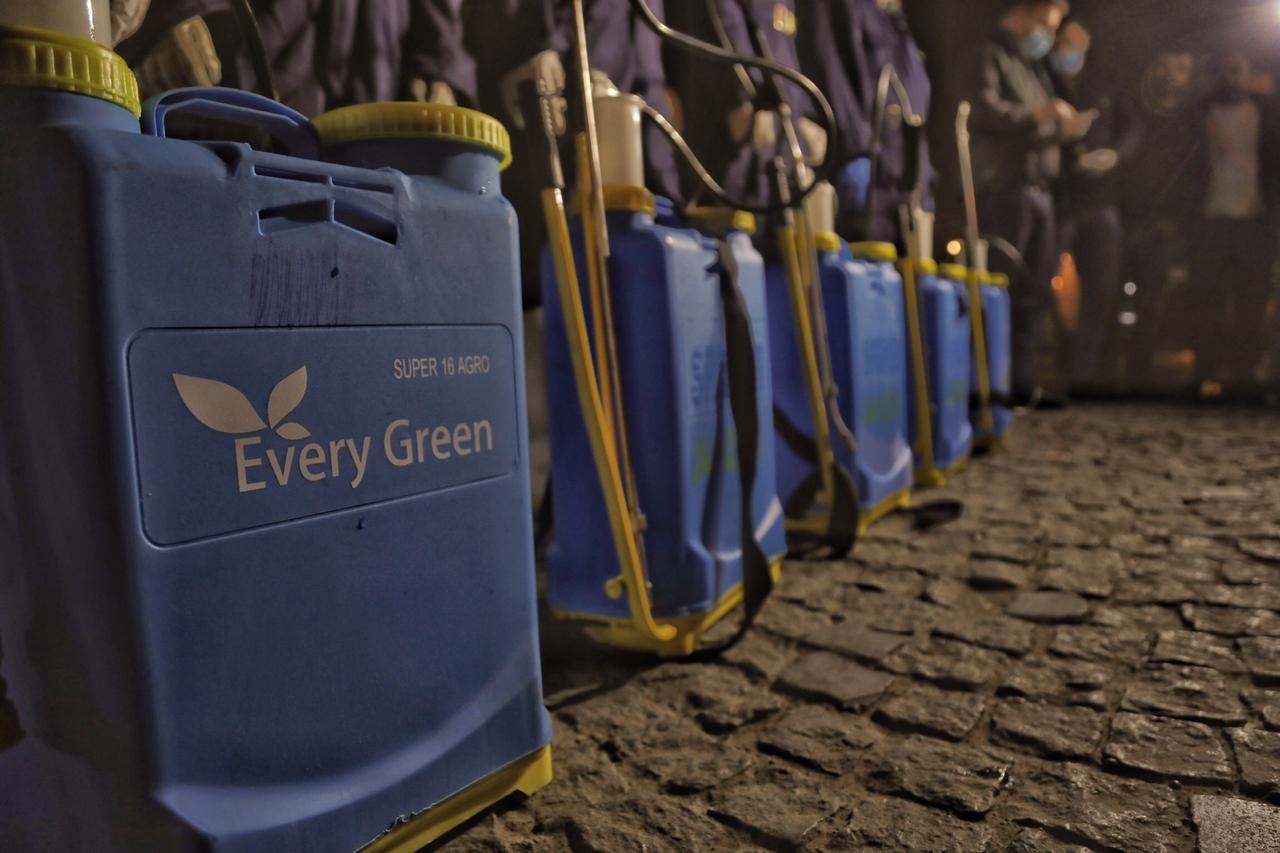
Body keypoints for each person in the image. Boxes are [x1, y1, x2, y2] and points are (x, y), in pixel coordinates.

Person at [960, 0, 1092, 403]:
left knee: (1033, 294)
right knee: (998, 288)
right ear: (1021, 14)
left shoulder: (1034, 68)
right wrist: (1039, 114)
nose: (1048, 38)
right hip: (1006, 189)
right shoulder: (988, 56)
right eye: (1045, 25)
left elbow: (1039, 129)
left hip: (1041, 190)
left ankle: (1020, 386)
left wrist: (1065, 128)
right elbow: (983, 112)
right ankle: (983, 386)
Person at [118, 1, 475, 113]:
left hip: (371, 95)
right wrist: (180, 13)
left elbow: (439, 20)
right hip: (232, 72)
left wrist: (441, 69)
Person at [1046, 19, 1141, 394]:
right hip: (1059, 197)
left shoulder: (1107, 84)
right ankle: (1058, 353)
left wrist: (1115, 156)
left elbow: (1135, 126)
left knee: (1100, 290)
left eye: (1073, 41)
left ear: (1086, 41)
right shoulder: (1045, 79)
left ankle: (1084, 374)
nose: (1066, 48)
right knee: (1041, 283)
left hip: (1101, 200)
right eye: (1061, 41)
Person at [668, 0, 827, 213]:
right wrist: (739, 97)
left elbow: (783, 50)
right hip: (730, 130)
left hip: (779, 130)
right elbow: (718, 24)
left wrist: (802, 115)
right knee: (731, 214)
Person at [795, 0, 933, 244]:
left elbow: (914, 101)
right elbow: (830, 68)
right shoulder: (842, 8)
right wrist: (856, 150)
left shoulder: (896, 23)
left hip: (903, 184)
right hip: (867, 174)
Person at [1190, 50, 1280, 398]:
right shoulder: (1201, 116)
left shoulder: (1266, 115)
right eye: (1226, 71)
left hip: (1252, 222)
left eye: (1238, 71)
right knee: (1207, 301)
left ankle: (1244, 379)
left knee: (1251, 304)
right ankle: (1205, 374)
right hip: (1210, 221)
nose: (1232, 78)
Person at [1120, 47, 1201, 386]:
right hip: (1127, 220)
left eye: (1181, 68)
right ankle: (1106, 375)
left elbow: (1196, 179)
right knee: (1118, 299)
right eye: (1166, 66)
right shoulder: (1134, 111)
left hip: (1167, 228)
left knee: (1152, 303)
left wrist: (1178, 223)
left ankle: (1140, 374)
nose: (1172, 75)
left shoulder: (1193, 122)